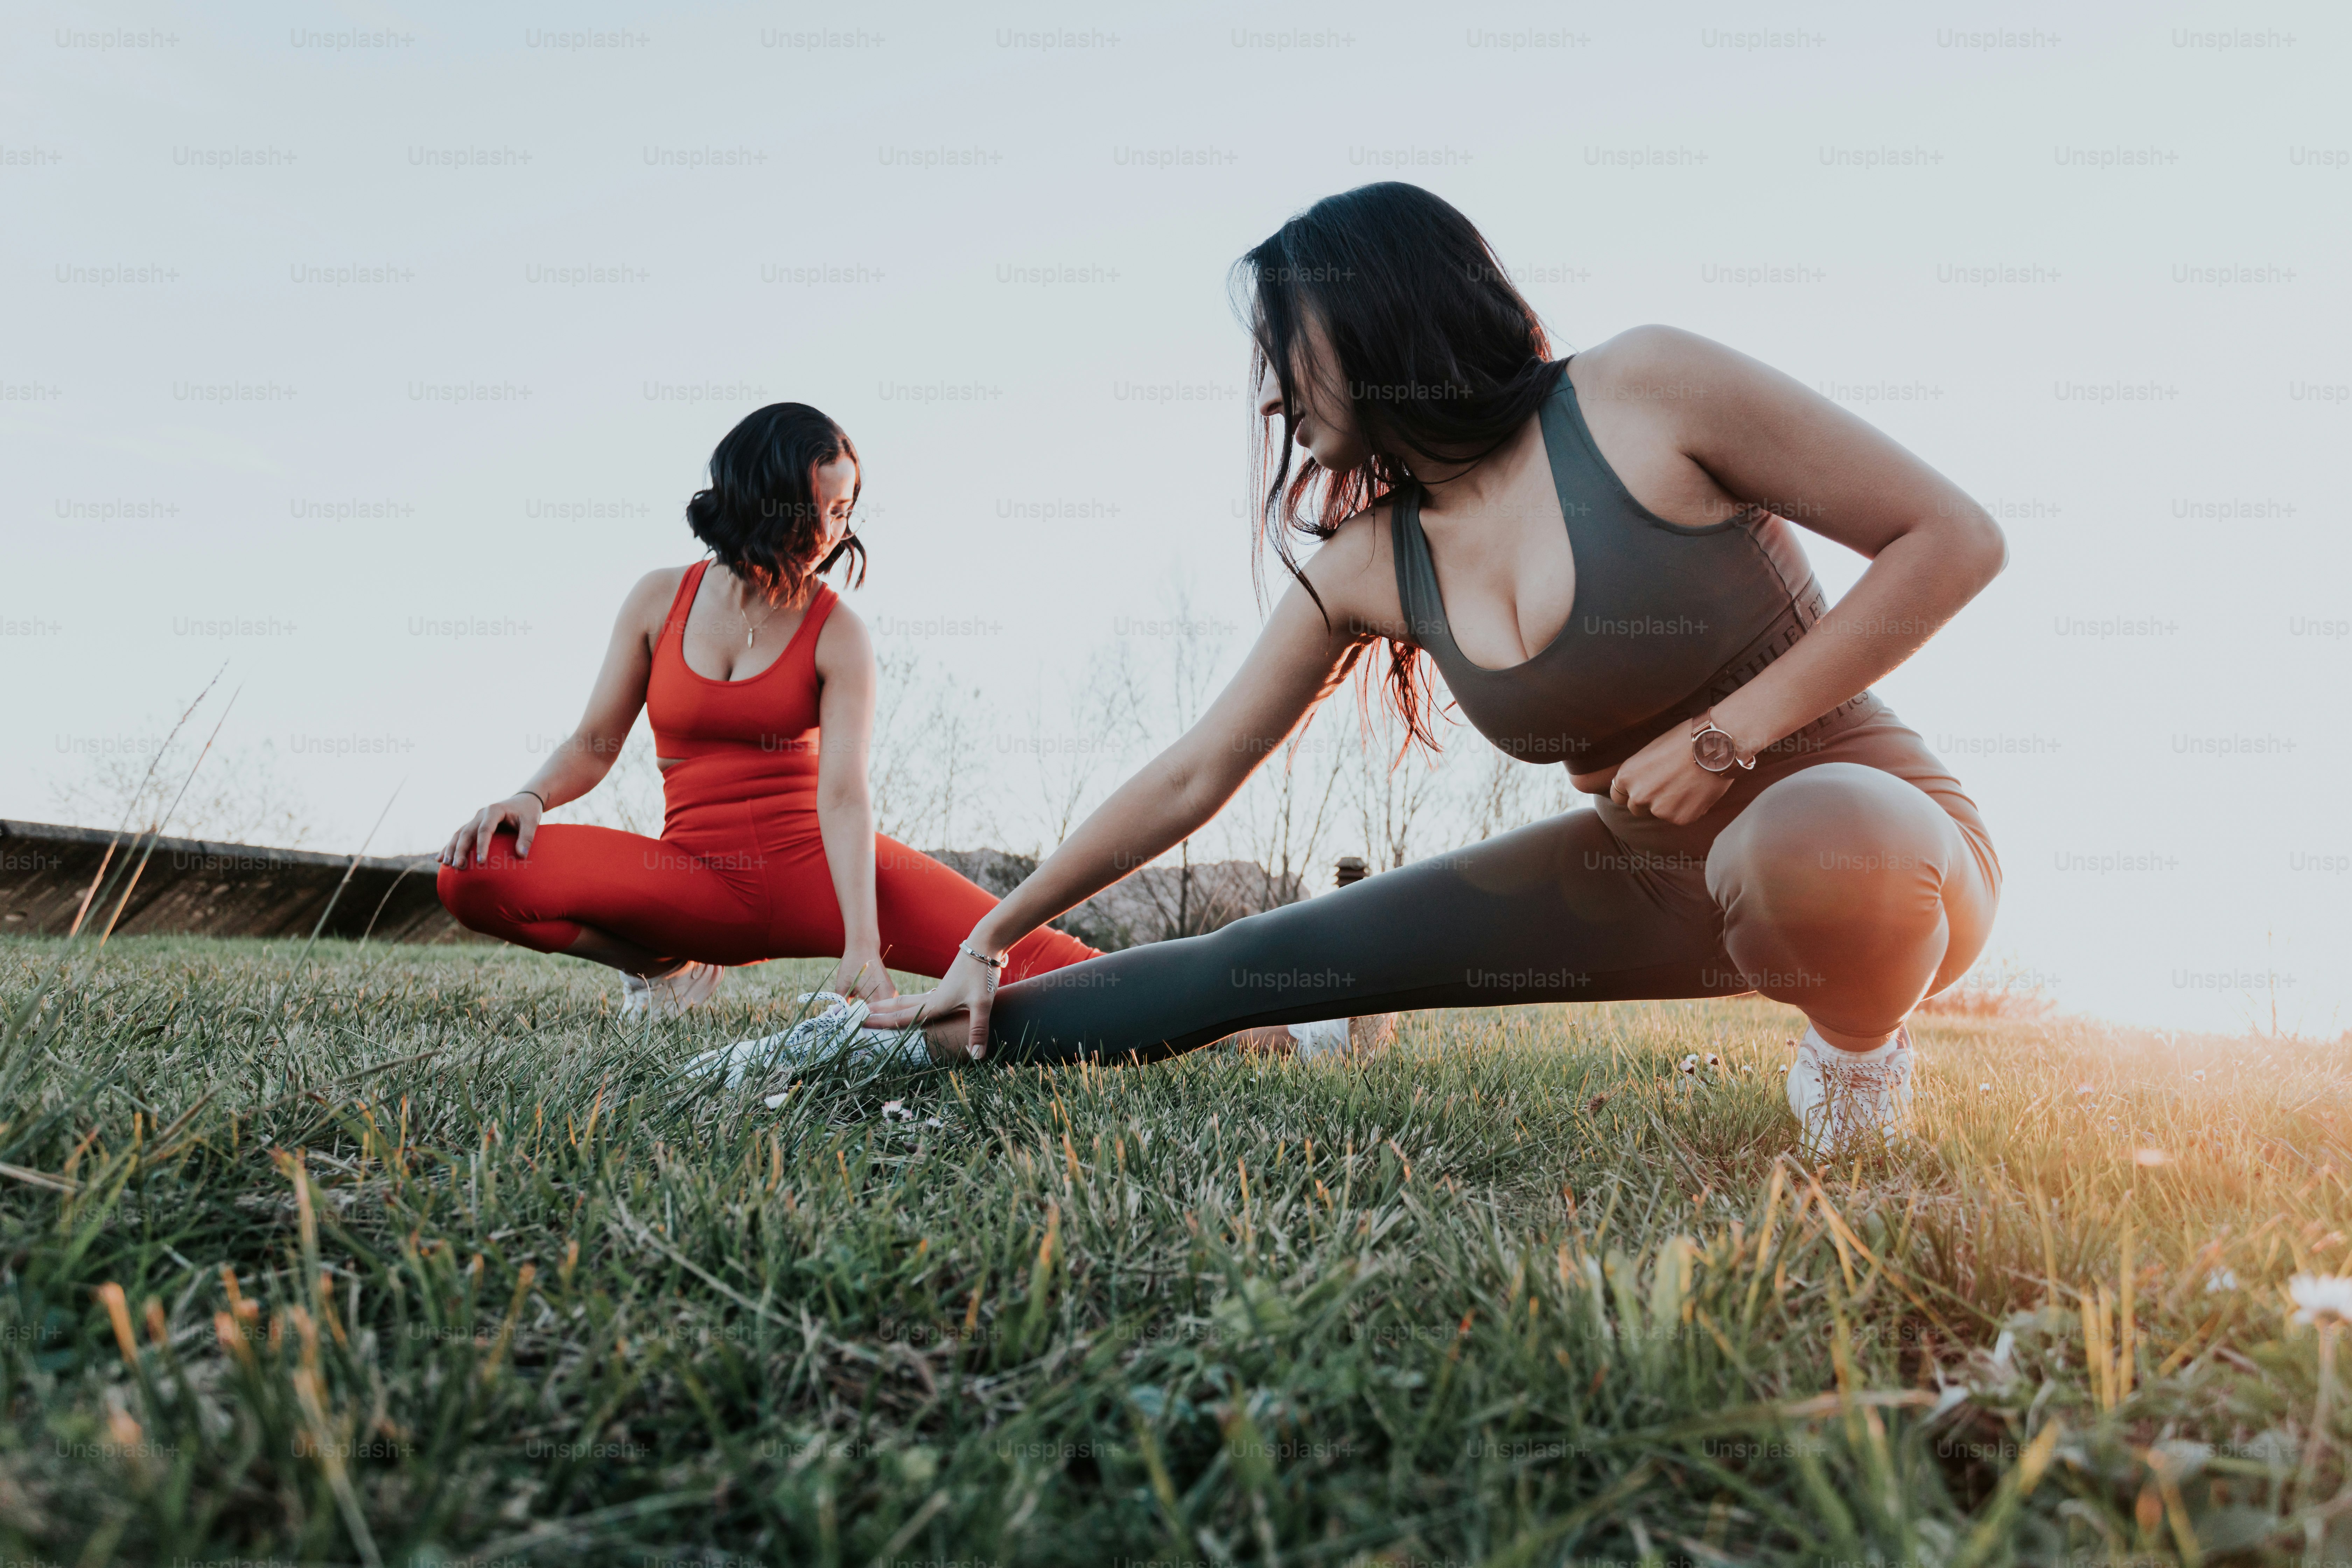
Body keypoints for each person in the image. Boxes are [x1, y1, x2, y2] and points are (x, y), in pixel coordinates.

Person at [808, 182, 2004, 1161]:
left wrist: (1726, 736)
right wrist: (991, 937)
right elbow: (1193, 775)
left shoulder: (1645, 390)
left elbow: (1952, 538)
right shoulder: (1371, 563)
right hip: (1641, 880)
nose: (1269, 395)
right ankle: (851, 1045)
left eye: (1284, 350)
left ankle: (1855, 1057)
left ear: (1376, 313)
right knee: (1257, 963)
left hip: (1878, 849)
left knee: (1800, 846)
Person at [434, 402, 1100, 1015]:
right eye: (814, 510)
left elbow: (843, 797)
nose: (829, 534)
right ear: (759, 499)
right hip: (691, 880)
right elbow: (594, 742)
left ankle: (1204, 1006)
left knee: (1067, 970)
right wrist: (533, 797)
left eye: (844, 512)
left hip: (822, 876)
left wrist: (863, 945)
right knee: (474, 872)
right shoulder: (658, 599)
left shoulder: (840, 633)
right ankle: (666, 966)